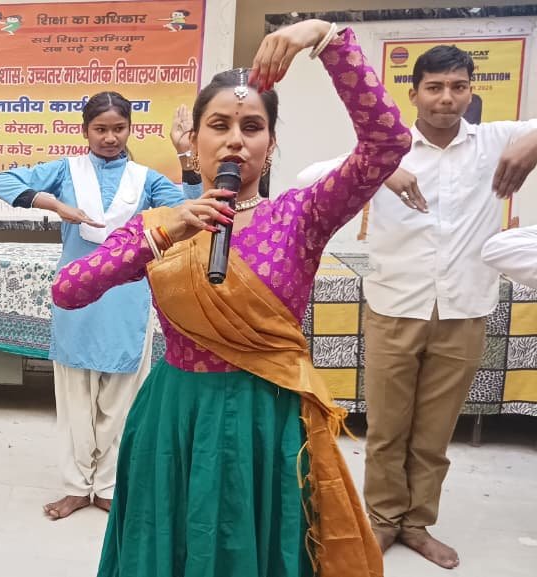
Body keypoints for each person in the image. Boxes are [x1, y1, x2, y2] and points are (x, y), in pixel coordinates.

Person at [54, 20, 411, 576]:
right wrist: (163, 234)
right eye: (218, 125)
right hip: (175, 419)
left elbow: (388, 142)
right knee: (170, 545)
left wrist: (326, 40)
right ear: (194, 141)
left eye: (253, 126)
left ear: (270, 146)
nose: (235, 139)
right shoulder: (159, 223)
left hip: (264, 418)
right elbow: (68, 290)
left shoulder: (301, 215)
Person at [297, 45, 537, 569]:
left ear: (471, 90)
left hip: (465, 310)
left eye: (457, 87)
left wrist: (533, 140)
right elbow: (305, 178)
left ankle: (416, 523)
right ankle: (382, 521)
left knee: (434, 433)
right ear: (414, 94)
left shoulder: (495, 142)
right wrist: (377, 169)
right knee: (386, 429)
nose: (446, 99)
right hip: (394, 307)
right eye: (435, 87)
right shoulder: (387, 148)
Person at [0, 92, 199, 520]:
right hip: (76, 299)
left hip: (128, 300)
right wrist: (55, 204)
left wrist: (186, 155)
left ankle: (108, 486)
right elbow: (0, 182)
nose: (110, 138)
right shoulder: (66, 171)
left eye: (118, 129)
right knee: (74, 400)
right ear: (85, 131)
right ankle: (75, 487)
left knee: (121, 400)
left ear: (130, 129)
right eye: (100, 129)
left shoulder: (145, 179)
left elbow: (192, 209)